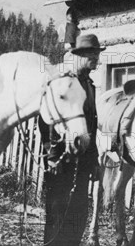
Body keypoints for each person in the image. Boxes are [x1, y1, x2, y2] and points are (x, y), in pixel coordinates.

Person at [42, 34, 104, 246]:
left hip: (84, 159)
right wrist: (51, 155)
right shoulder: (63, 82)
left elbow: (91, 127)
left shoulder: (90, 85)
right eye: (90, 54)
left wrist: (94, 161)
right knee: (58, 209)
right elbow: (49, 119)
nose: (95, 58)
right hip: (62, 159)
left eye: (96, 54)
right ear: (77, 56)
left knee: (78, 211)